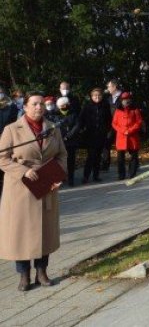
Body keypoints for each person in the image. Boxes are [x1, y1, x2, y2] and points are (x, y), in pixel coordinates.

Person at [0, 91, 67, 291]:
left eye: (41, 104)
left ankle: (42, 272)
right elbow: (2, 158)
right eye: (34, 104)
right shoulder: (12, 129)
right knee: (21, 233)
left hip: (46, 184)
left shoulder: (53, 129)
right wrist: (24, 171)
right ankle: (24, 275)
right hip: (20, 188)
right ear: (25, 107)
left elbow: (62, 154)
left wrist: (58, 176)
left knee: (44, 230)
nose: (39, 107)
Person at [78, 88, 110, 183]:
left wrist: (106, 130)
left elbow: (108, 119)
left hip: (101, 135)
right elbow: (81, 119)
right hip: (90, 135)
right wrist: (81, 129)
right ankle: (86, 176)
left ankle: (96, 176)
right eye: (95, 95)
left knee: (98, 157)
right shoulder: (87, 106)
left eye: (99, 95)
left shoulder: (105, 106)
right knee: (91, 156)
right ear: (91, 97)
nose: (97, 97)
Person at [112, 92, 142, 180]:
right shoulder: (118, 111)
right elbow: (114, 123)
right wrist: (122, 131)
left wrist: (130, 130)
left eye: (128, 99)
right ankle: (121, 175)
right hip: (121, 136)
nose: (126, 101)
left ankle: (132, 173)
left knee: (134, 155)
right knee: (120, 157)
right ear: (121, 101)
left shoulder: (135, 110)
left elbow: (139, 122)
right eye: (124, 100)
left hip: (132, 136)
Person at [53, 97, 81, 187]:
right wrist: (61, 137)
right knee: (59, 162)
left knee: (71, 161)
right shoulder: (55, 115)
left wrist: (68, 136)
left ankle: (71, 179)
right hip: (59, 142)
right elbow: (54, 127)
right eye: (61, 105)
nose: (64, 106)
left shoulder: (74, 113)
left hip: (71, 142)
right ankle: (60, 179)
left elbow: (77, 126)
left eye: (65, 104)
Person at [101, 79, 122, 172]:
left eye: (109, 86)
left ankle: (130, 163)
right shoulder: (108, 98)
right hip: (110, 125)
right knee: (106, 143)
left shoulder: (123, 97)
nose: (107, 88)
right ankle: (105, 165)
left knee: (123, 145)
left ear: (114, 86)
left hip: (122, 125)